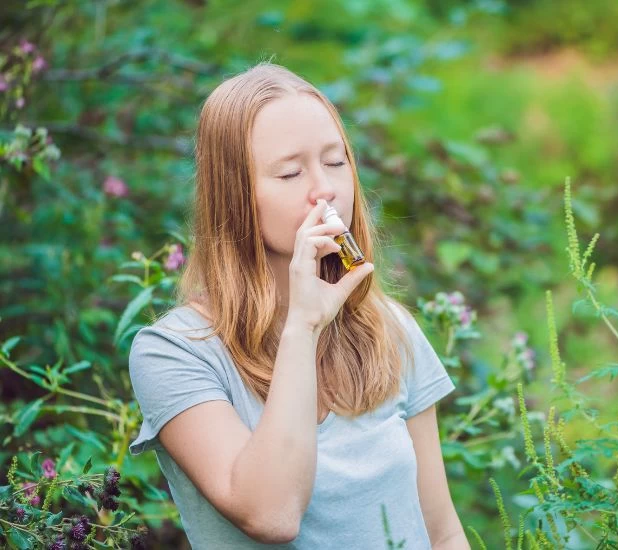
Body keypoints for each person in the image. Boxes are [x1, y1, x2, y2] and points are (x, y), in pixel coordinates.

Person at [127, 63, 471, 549]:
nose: (325, 189)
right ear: (236, 198)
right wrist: (303, 327)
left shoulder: (390, 328)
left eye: (335, 161)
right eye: (290, 172)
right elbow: (272, 514)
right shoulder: (174, 353)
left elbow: (444, 533)